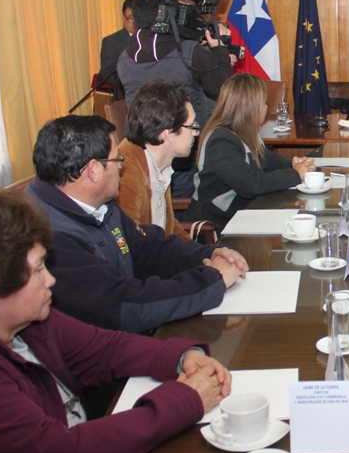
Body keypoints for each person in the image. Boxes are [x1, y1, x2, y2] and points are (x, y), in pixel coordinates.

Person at [0, 190, 230, 453]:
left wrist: (182, 355)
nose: (50, 280)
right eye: (37, 271)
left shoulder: (26, 320)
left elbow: (103, 349)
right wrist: (185, 399)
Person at [26, 115, 247, 333]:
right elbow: (125, 305)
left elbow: (147, 248)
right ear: (93, 170)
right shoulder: (50, 237)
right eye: (117, 160)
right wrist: (211, 281)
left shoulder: (100, 206)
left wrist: (208, 254)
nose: (121, 168)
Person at [188, 73, 315, 229]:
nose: (266, 108)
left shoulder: (247, 133)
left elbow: (269, 159)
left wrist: (296, 165)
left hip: (243, 216)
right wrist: (295, 174)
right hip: (217, 226)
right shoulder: (220, 140)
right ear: (251, 108)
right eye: (264, 103)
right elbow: (252, 185)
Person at [117, 0, 234, 132]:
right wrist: (219, 49)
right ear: (167, 15)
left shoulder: (123, 58)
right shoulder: (190, 51)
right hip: (185, 139)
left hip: (140, 141)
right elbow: (225, 89)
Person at [117, 79, 199, 240]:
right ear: (168, 133)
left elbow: (168, 227)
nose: (196, 133)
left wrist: (206, 254)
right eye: (192, 126)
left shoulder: (159, 162)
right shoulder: (125, 170)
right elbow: (132, 244)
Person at [98, 0, 135, 101]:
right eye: (131, 17)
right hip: (124, 98)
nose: (134, 21)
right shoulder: (111, 41)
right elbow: (106, 73)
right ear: (123, 17)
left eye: (137, 17)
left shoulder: (150, 38)